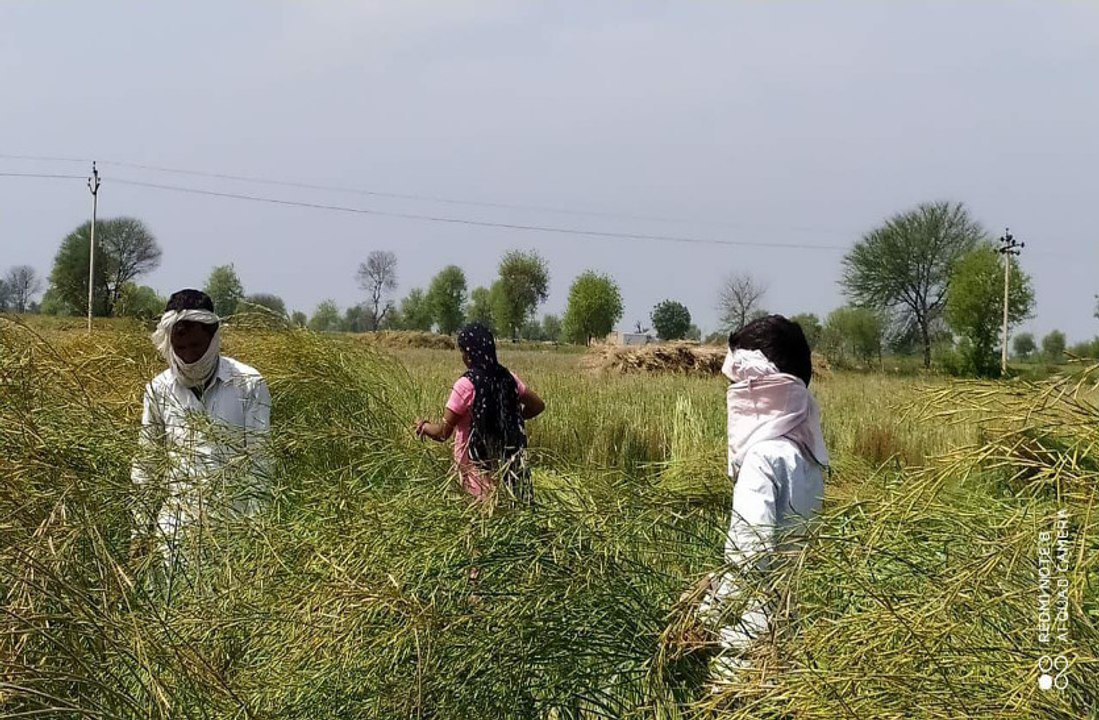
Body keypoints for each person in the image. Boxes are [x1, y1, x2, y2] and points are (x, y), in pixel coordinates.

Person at [700, 314, 829, 679]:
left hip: (748, 644)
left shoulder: (763, 459)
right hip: (789, 634)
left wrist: (701, 618)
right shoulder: (810, 456)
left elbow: (749, 560)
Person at [130, 289, 271, 581]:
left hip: (233, 531)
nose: (189, 356)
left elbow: (260, 462)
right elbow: (147, 464)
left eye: (197, 345)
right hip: (174, 533)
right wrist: (140, 533)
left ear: (214, 337)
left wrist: (259, 535)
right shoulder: (158, 391)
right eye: (180, 347)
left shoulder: (249, 385)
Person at [415, 323, 545, 504]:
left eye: (463, 352)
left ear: (469, 354)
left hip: (475, 466)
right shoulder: (508, 377)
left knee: (483, 518)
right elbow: (537, 405)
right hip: (507, 463)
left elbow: (442, 433)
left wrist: (423, 426)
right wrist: (507, 418)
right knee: (511, 511)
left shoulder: (466, 385)